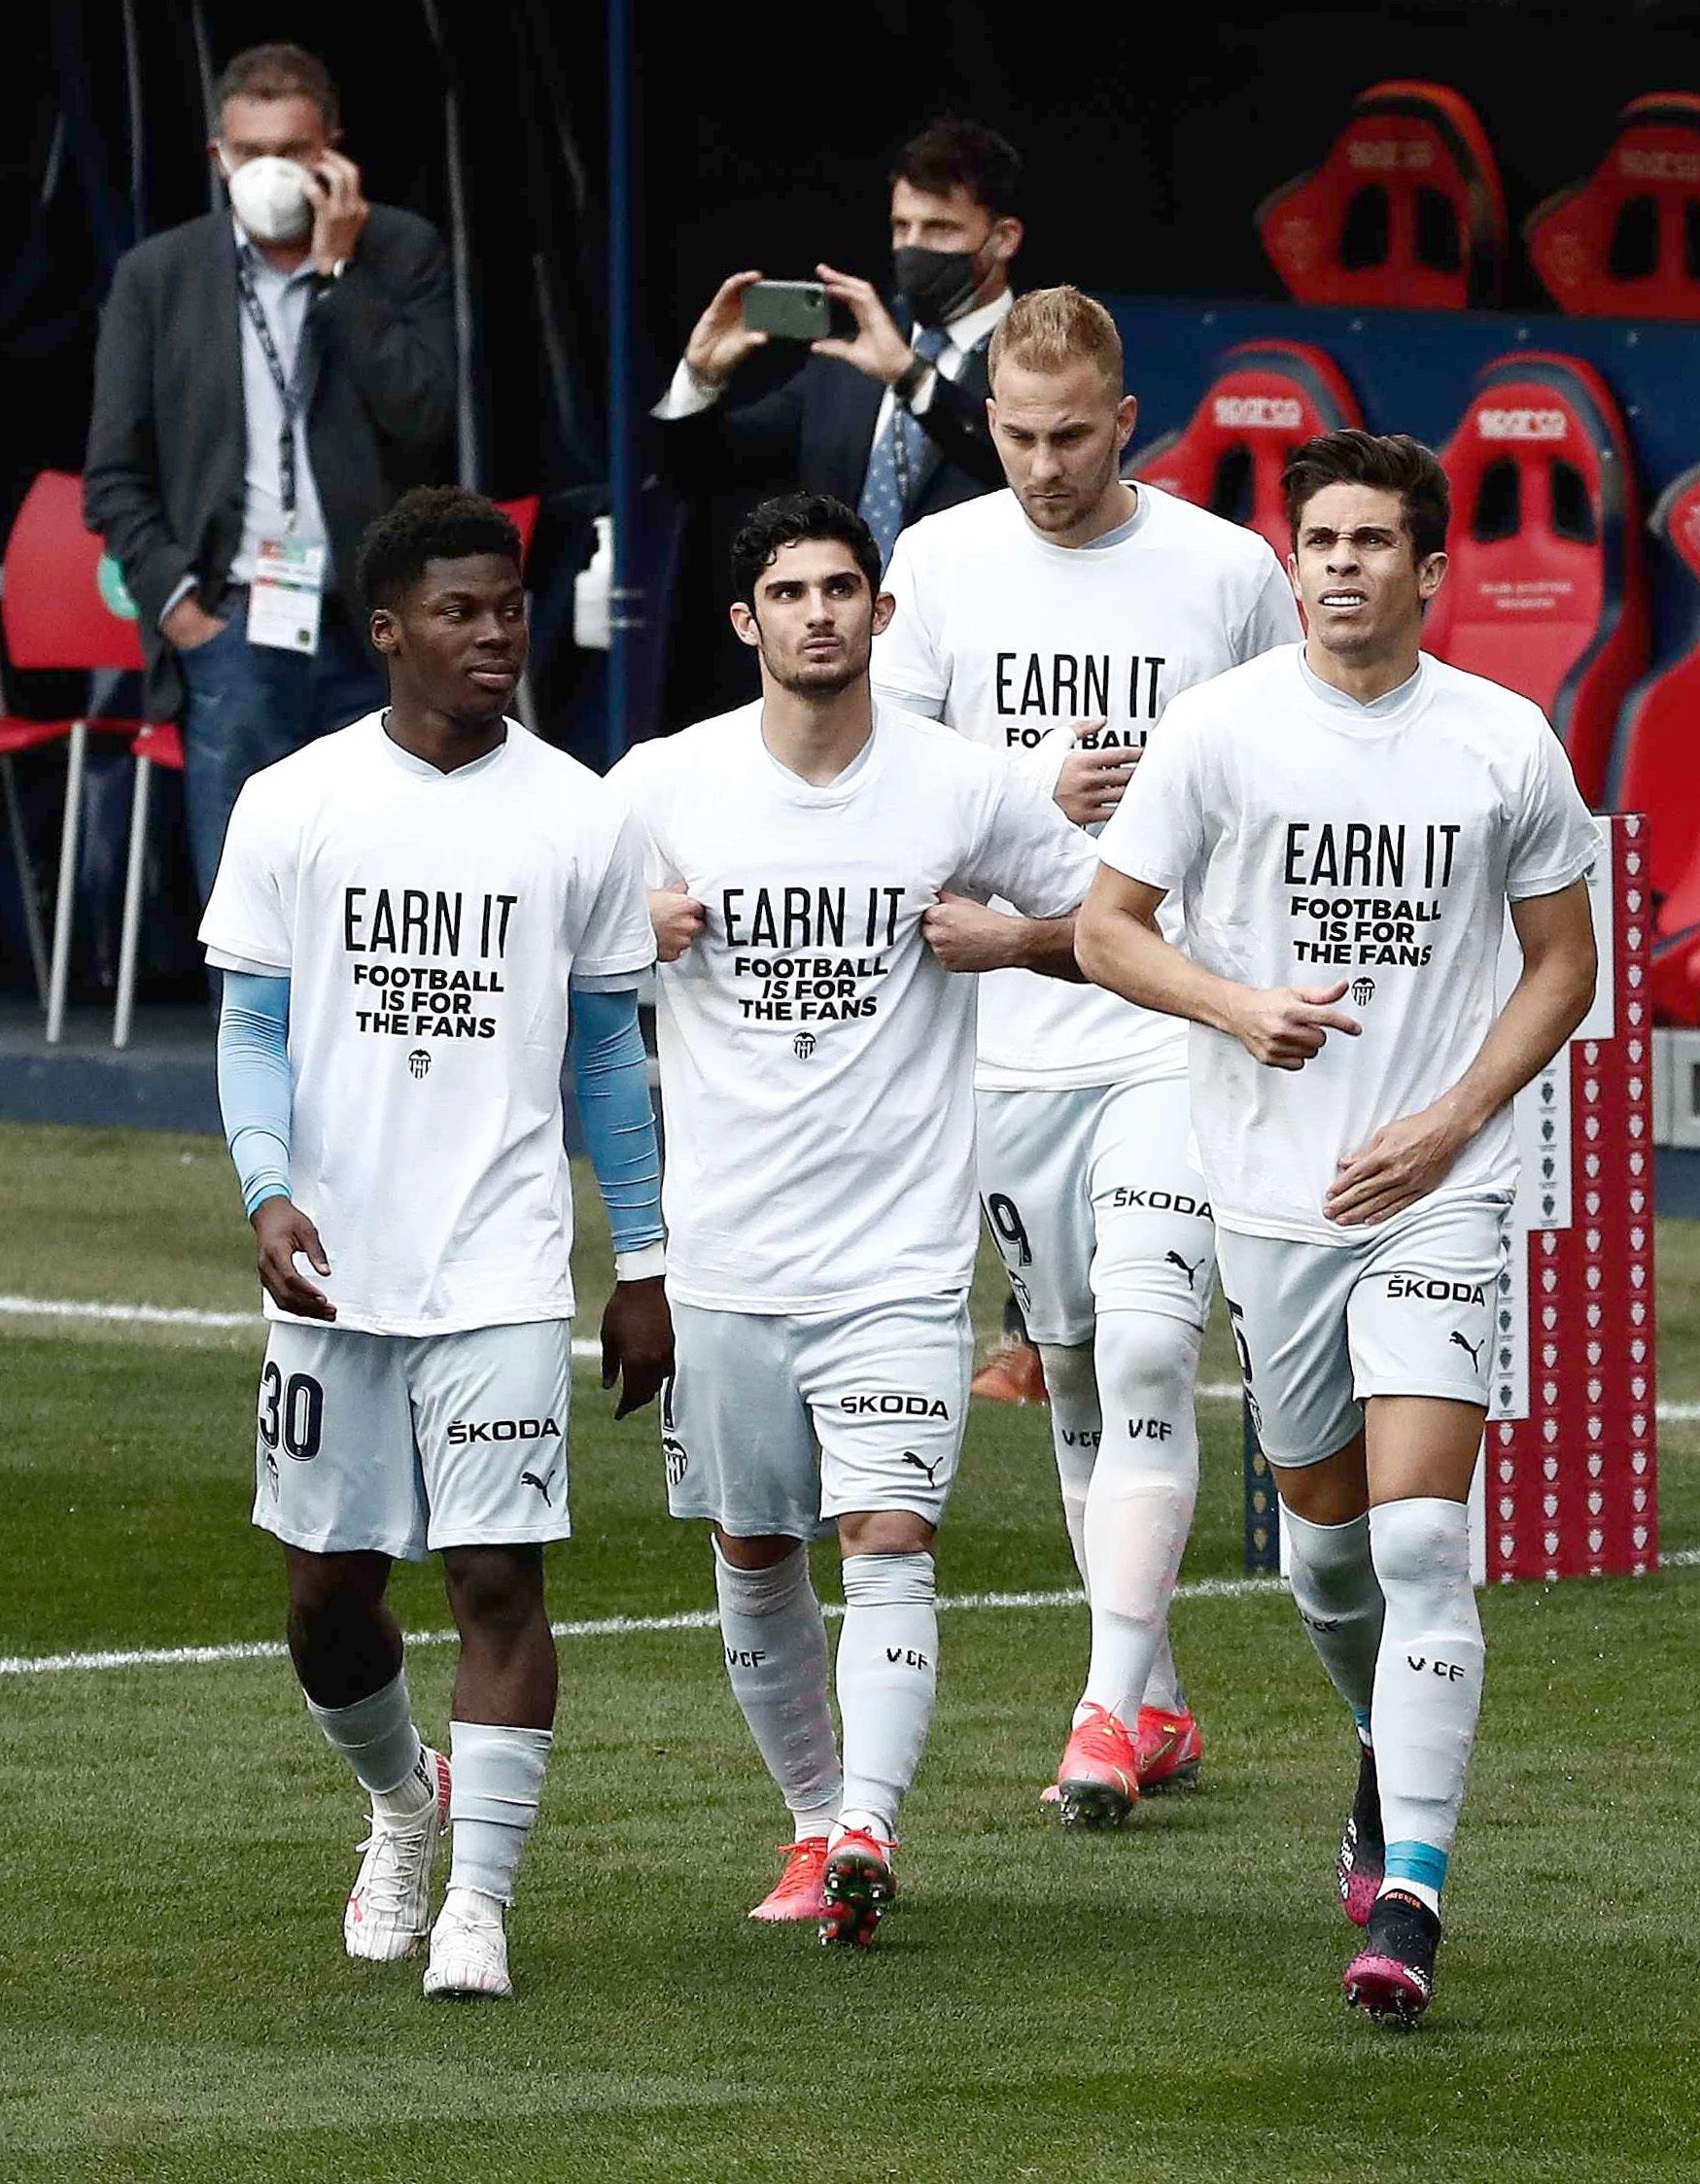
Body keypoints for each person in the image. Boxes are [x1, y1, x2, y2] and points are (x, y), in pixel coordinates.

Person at [1079, 429, 1597, 2025]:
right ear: (1291, 560)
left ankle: (1415, 1892)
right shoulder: (1220, 734)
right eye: (1322, 540)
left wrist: (1452, 1121)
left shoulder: (1506, 742)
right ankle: (1387, 1757)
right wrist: (1239, 1007)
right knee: (1328, 1553)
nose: (1345, 563)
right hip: (1271, 1193)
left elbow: (1562, 964)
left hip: (1443, 1195)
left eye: (1376, 540)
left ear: (1431, 571)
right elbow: (1107, 929)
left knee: (1429, 1534)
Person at [201, 486, 669, 2000]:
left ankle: (478, 1900)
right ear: (387, 629)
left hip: (501, 1266)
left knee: (495, 1582)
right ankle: (403, 1799)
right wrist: (269, 1189)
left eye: (510, 605)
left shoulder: (580, 809)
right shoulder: (293, 798)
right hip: (335, 1269)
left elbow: (608, 1055)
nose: (494, 633)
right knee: (328, 1601)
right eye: (459, 611)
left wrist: (642, 1258)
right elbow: (255, 1023)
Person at [614, 491, 1097, 1939]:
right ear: (745, 622)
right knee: (757, 1549)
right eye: (790, 591)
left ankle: (871, 1822)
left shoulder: (964, 783)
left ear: (883, 614)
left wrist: (1013, 937)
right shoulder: (657, 785)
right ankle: (815, 1820)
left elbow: (1119, 926)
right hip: (727, 1256)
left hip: (897, 1255)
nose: (819, 612)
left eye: (843, 588)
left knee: (888, 1531)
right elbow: (538, 946)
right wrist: (627, 935)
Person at [871, 288, 1305, 1827]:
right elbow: (884, 778)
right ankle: (1161, 1687)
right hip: (999, 1040)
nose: (1044, 465)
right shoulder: (935, 564)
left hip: (1168, 1029)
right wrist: (1022, 790)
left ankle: (1105, 1707)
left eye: (1072, 434)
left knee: (1139, 1349)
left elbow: (1292, 760)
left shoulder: (1228, 570)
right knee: (1065, 1359)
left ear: (1127, 421)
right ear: (985, 420)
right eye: (1015, 434)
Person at [85, 41, 455, 903]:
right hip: (234, 620)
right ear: (219, 159)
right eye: (251, 154)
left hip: (378, 620)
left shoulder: (401, 251)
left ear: (333, 154)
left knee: (385, 884)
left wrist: (340, 272)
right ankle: (249, 1044)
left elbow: (424, 419)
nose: (271, 173)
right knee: (250, 901)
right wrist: (179, 609)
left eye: (293, 152)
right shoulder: (158, 276)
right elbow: (113, 472)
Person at [658, 118, 1023, 570]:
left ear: (1003, 238)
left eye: (939, 229)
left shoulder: (1039, 352)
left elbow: (1028, 470)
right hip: (841, 630)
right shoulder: (845, 364)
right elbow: (702, 470)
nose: (912, 247)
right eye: (901, 227)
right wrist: (700, 378)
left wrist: (911, 378)